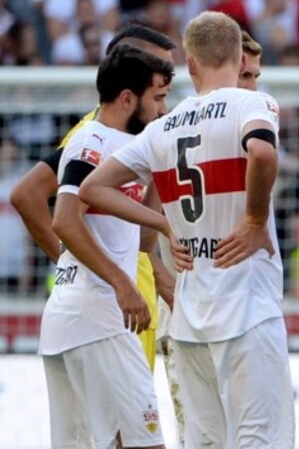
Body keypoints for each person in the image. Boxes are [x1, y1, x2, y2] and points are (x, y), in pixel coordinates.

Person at [79, 11, 294, 447]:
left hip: (192, 318)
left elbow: (92, 187)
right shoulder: (254, 103)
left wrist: (164, 224)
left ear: (190, 65)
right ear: (238, 57)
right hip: (247, 310)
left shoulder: (163, 127)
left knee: (205, 441)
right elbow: (264, 155)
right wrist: (253, 220)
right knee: (260, 438)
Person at [10, 23, 177, 371]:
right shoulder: (93, 134)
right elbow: (28, 195)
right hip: (112, 301)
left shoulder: (137, 135)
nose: (165, 97)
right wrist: (76, 265)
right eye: (158, 85)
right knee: (127, 421)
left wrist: (156, 267)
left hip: (132, 290)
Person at [40, 44, 173, 449]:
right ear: (128, 98)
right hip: (97, 317)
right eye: (158, 98)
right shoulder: (92, 143)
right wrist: (121, 283)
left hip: (78, 320)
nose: (163, 108)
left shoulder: (127, 148)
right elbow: (65, 218)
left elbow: (144, 238)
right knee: (145, 444)